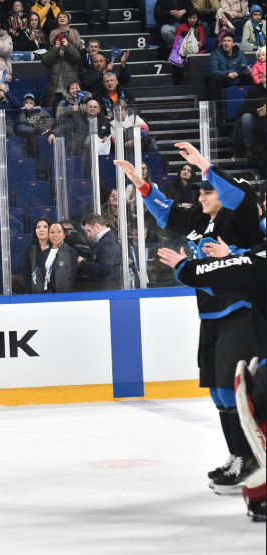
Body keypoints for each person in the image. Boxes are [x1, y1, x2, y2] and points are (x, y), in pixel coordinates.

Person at [115, 146, 262, 494]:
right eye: (199, 192)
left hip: (239, 312)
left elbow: (241, 196)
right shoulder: (200, 218)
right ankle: (236, 455)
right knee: (217, 392)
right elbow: (166, 213)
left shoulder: (240, 219)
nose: (201, 196)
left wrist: (204, 165)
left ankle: (250, 458)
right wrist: (142, 185)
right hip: (209, 314)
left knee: (233, 389)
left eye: (208, 191)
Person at [77, 212, 121, 290]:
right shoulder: (105, 240)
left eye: (89, 231)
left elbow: (104, 269)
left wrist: (83, 263)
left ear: (97, 226)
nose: (88, 235)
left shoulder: (108, 241)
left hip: (106, 290)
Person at [41, 26, 81, 108]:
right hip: (55, 91)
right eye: (59, 40)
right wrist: (55, 48)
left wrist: (68, 45)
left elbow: (77, 58)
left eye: (64, 40)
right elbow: (45, 60)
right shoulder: (52, 51)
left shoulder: (71, 51)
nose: (62, 42)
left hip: (70, 91)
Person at [33, 221, 78, 293]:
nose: (55, 235)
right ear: (48, 235)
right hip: (44, 294)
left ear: (64, 235)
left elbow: (69, 279)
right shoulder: (43, 254)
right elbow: (39, 275)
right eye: (52, 232)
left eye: (59, 232)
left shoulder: (70, 252)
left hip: (61, 294)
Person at [206, 34, 255, 101]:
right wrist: (228, 74)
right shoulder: (215, 54)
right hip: (223, 79)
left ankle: (253, 102)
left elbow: (243, 67)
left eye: (229, 41)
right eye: (224, 41)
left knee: (247, 76)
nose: (226, 43)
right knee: (215, 78)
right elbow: (213, 71)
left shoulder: (240, 54)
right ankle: (217, 105)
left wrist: (239, 73)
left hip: (237, 78)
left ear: (233, 43)